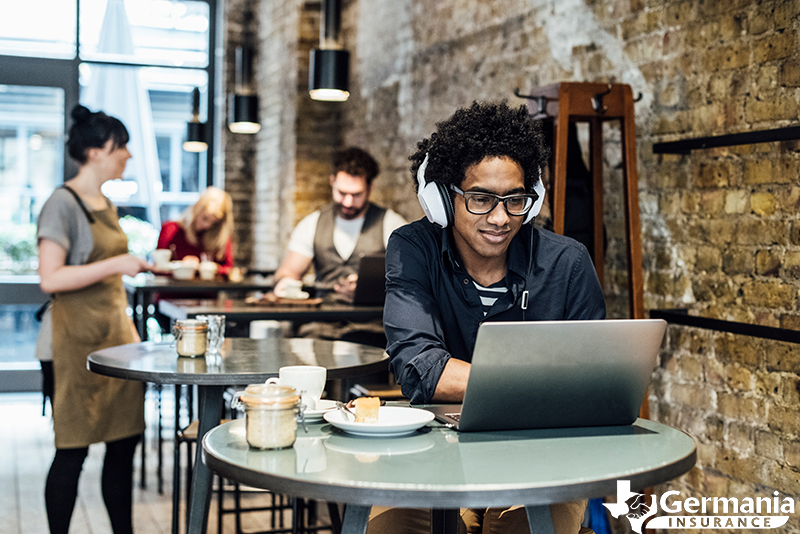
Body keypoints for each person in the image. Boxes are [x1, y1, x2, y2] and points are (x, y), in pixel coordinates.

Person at [375, 101, 606, 534]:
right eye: (481, 199)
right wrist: (541, 380)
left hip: (542, 456)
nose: (500, 218)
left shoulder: (568, 263)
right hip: (435, 455)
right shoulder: (412, 248)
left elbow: (589, 384)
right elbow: (420, 369)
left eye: (515, 200)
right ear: (443, 198)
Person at [37, 105, 151, 534]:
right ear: (98, 150)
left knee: (124, 446)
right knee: (73, 450)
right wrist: (117, 263)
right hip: (74, 346)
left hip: (115, 342)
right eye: (121, 146)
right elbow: (51, 278)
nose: (127, 155)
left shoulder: (104, 202)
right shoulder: (60, 204)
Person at [273, 147, 407, 345]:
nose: (348, 201)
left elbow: (410, 281)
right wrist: (285, 282)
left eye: (356, 194)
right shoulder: (312, 224)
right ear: (332, 182)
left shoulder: (391, 224)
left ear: (370, 188)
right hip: (320, 327)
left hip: (371, 328)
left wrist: (370, 288)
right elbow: (288, 272)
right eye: (342, 193)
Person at [156, 186, 234, 275]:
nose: (207, 225)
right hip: (175, 288)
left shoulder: (220, 235)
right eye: (205, 218)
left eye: (214, 223)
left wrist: (210, 267)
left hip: (205, 288)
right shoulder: (170, 229)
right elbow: (158, 269)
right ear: (197, 209)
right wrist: (182, 267)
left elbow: (229, 269)